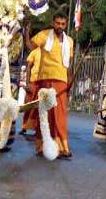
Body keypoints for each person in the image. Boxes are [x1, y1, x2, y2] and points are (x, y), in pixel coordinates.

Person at [25, 13, 73, 158]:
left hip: (62, 81)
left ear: (65, 25)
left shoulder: (69, 41)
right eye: (57, 23)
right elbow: (29, 47)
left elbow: (69, 64)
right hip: (45, 80)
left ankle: (61, 147)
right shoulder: (44, 35)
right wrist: (26, 33)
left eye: (62, 24)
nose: (60, 26)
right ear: (53, 23)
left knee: (60, 115)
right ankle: (42, 147)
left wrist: (70, 81)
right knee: (46, 114)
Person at [20, 46, 41, 134]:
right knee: (28, 105)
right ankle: (24, 127)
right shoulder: (35, 51)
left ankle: (38, 129)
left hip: (43, 84)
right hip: (33, 83)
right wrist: (27, 84)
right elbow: (29, 67)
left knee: (40, 107)